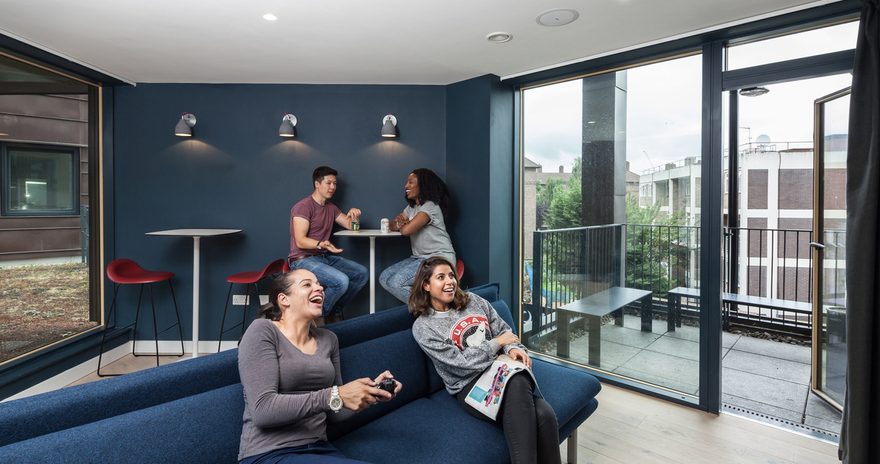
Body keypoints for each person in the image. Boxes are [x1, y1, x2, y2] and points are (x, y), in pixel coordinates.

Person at [238, 269, 402, 464]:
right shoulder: (262, 331)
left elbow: (335, 412)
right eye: (307, 284)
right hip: (269, 453)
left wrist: (370, 393)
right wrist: (335, 395)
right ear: (284, 300)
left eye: (319, 284)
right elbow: (263, 410)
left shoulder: (328, 339)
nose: (319, 288)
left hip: (319, 449)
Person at [408, 257, 561, 464]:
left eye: (451, 275)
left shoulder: (473, 301)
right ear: (426, 285)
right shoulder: (423, 326)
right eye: (441, 277)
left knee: (546, 414)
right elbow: (460, 363)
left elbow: (504, 331)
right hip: (469, 385)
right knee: (518, 382)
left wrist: (513, 347)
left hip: (500, 368)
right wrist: (497, 343)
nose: (450, 281)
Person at [288, 166, 368, 319]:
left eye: (335, 183)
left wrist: (354, 215)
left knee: (361, 273)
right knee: (341, 281)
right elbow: (300, 241)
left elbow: (351, 226)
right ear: (317, 184)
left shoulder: (331, 208)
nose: (333, 187)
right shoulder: (303, 206)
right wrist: (320, 244)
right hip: (302, 260)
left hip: (323, 257)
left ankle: (333, 311)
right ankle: (316, 319)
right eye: (329, 183)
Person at [379, 168, 456, 303]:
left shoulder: (430, 206)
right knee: (384, 278)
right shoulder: (412, 208)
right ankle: (430, 306)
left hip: (439, 258)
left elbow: (406, 231)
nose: (406, 186)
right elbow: (392, 224)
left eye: (410, 183)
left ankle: (433, 310)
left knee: (397, 283)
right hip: (419, 258)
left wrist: (403, 225)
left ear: (423, 185)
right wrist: (400, 224)